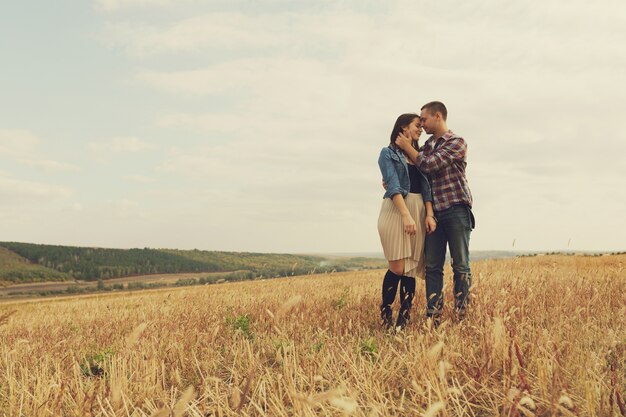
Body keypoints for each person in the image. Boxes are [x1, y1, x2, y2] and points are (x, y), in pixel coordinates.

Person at [395, 101, 474, 324]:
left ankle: (462, 314)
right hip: (433, 214)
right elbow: (418, 173)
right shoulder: (427, 144)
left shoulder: (457, 142)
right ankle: (434, 315)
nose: (422, 124)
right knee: (432, 266)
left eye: (424, 119)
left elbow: (429, 165)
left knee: (460, 265)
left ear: (437, 116)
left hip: (456, 208)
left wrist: (406, 146)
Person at [377, 113, 437, 330]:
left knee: (411, 268)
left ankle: (404, 318)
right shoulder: (387, 153)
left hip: (419, 208)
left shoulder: (419, 155)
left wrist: (429, 214)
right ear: (403, 127)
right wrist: (405, 215)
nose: (421, 129)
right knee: (398, 267)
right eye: (417, 125)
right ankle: (386, 312)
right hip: (397, 210)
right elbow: (392, 185)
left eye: (422, 126)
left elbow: (427, 188)